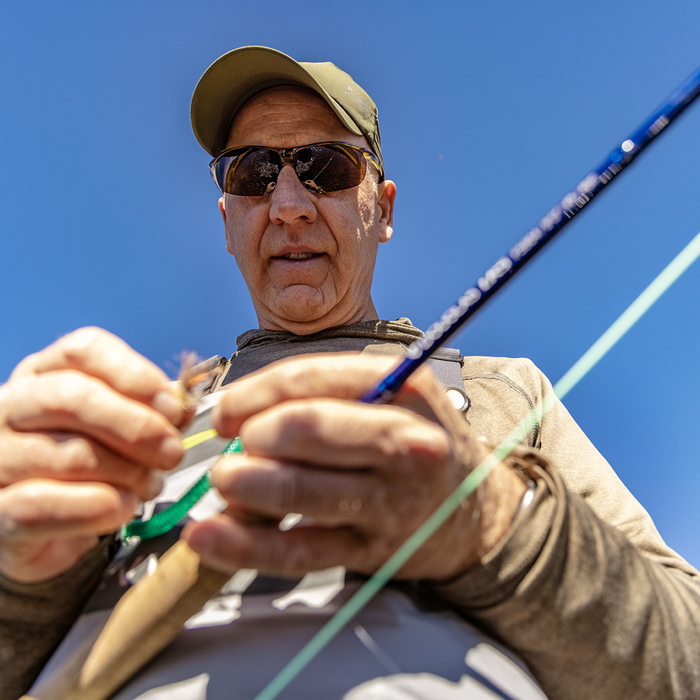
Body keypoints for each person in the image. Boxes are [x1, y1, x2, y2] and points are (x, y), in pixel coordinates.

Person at [2, 46, 700, 700]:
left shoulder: (505, 388)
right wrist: (22, 584)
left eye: (326, 167)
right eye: (252, 173)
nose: (290, 206)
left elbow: (685, 660)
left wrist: (493, 524)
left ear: (383, 209)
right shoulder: (139, 416)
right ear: (227, 220)